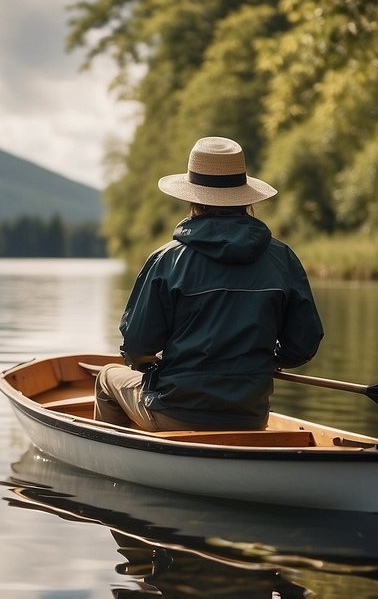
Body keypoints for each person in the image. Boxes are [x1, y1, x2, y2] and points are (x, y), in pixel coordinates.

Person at [94, 136, 324, 431]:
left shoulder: (167, 260)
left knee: (106, 377)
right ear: (245, 199)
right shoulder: (283, 259)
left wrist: (151, 366)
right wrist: (267, 360)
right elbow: (303, 345)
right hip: (250, 416)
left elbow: (137, 346)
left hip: (175, 410)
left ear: (192, 199)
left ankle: (123, 462)